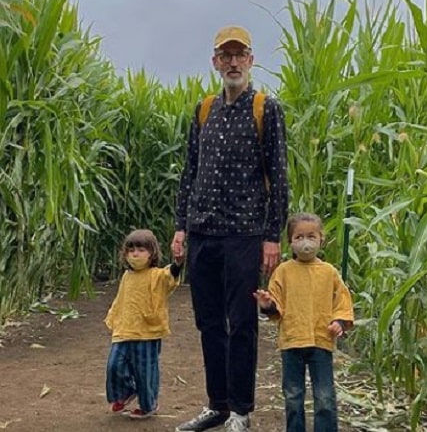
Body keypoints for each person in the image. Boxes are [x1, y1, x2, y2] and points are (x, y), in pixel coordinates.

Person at [172, 25, 289, 432]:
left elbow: (279, 176)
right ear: (216, 62)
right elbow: (190, 170)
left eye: (240, 54)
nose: (233, 62)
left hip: (244, 234)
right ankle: (217, 405)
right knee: (208, 322)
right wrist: (181, 227)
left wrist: (273, 235)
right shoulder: (204, 109)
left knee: (241, 322)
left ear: (251, 60)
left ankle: (241, 410)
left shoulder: (265, 108)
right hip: (203, 231)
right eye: (226, 55)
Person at [253, 213, 354, 432]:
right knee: (293, 396)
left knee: (325, 397)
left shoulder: (329, 273)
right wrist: (267, 304)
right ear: (290, 242)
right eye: (299, 237)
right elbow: (275, 308)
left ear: (321, 239)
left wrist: (339, 321)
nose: (305, 242)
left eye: (311, 236)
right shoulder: (283, 272)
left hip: (321, 342)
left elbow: (342, 301)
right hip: (291, 342)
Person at [105, 229, 184, 420]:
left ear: (152, 253)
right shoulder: (126, 276)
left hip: (147, 332)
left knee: (145, 371)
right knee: (114, 366)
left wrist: (179, 261)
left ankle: (148, 405)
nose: (135, 253)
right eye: (131, 249)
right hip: (124, 330)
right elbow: (120, 301)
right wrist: (114, 319)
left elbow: (170, 276)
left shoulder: (156, 275)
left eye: (141, 249)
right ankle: (125, 392)